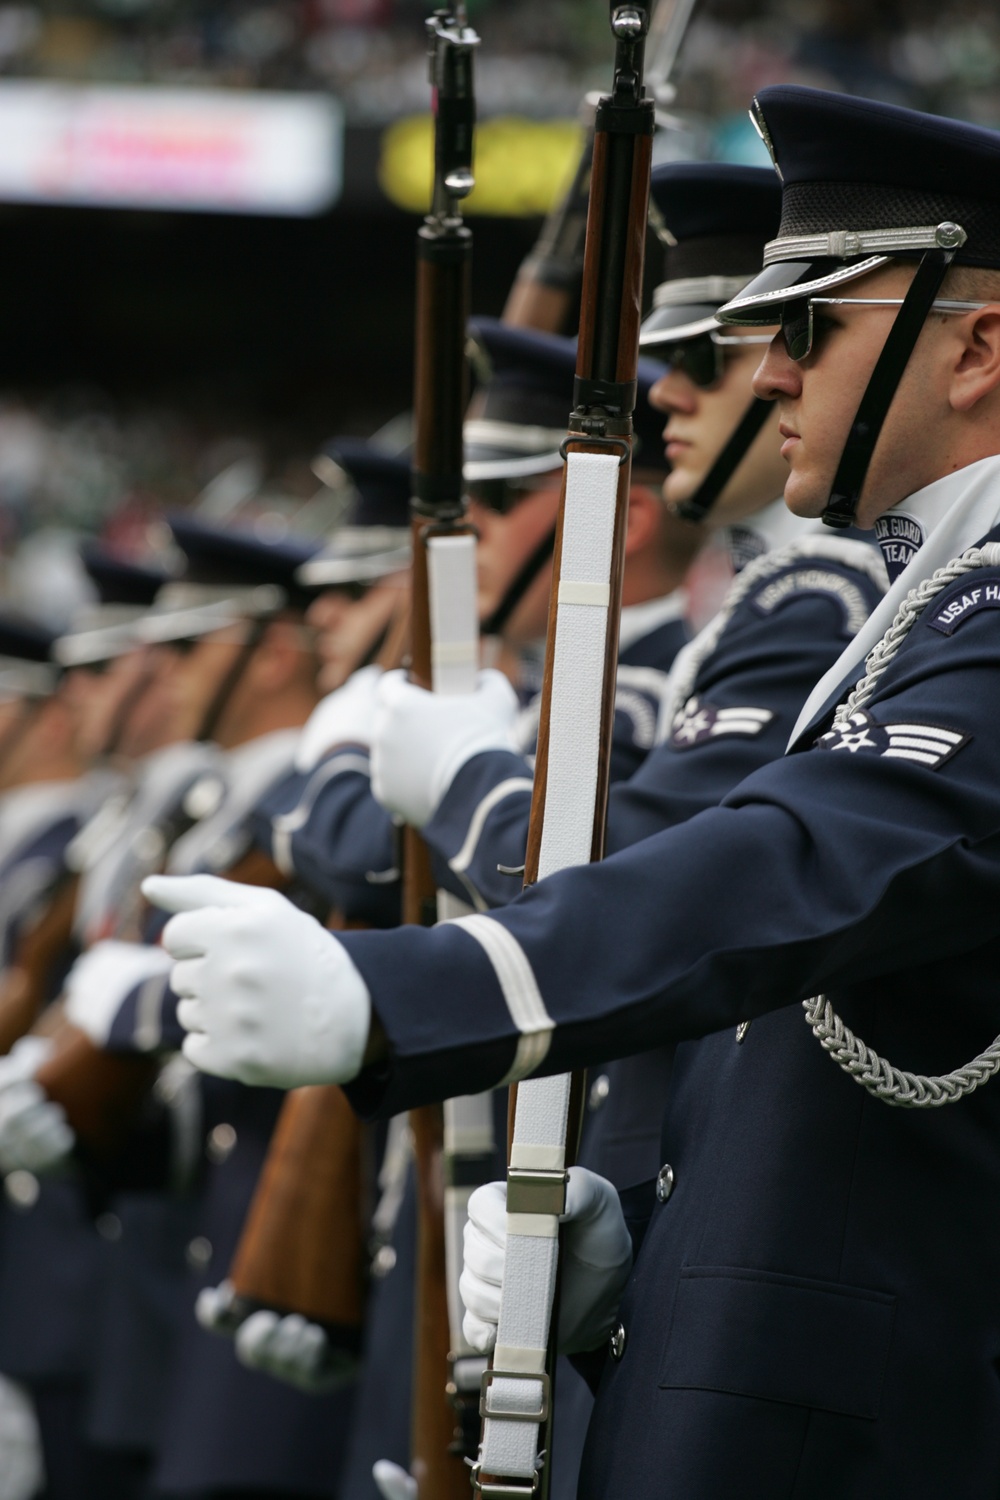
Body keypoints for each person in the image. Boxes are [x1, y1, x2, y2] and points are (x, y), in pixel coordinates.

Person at [149, 85, 1000, 1497]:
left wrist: (398, 997)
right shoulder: (926, 604)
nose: (763, 373)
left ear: (978, 347)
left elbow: (800, 867)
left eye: (804, 326)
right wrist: (646, 1226)